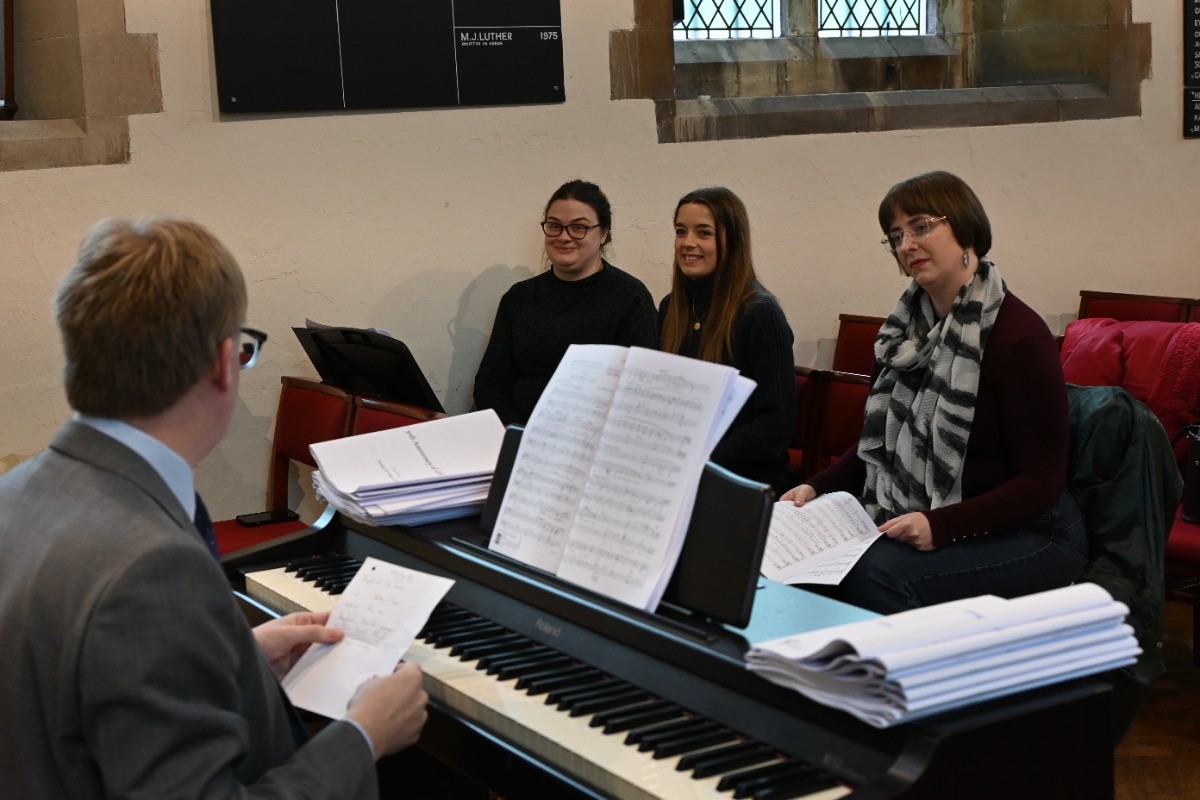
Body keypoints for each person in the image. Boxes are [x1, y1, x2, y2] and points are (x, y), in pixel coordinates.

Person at [0, 217, 427, 798]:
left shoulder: (18, 491)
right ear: (222, 363)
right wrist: (363, 737)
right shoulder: (153, 569)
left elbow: (84, 686)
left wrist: (239, 660)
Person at [782, 171, 1088, 614]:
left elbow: (1040, 484)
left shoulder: (1019, 337)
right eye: (895, 236)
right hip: (938, 514)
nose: (906, 245)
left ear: (964, 226)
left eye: (920, 226)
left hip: (1034, 530)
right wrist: (815, 488)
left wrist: (940, 525)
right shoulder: (900, 338)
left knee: (877, 575)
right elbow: (878, 445)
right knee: (808, 567)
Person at [474, 179, 658, 425]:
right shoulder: (518, 298)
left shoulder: (631, 297)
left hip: (590, 437)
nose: (564, 236)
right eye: (554, 226)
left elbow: (639, 392)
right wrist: (515, 432)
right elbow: (491, 382)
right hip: (517, 433)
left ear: (603, 234)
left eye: (578, 227)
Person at [658, 187, 797, 495]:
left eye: (703, 233)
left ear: (732, 241)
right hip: (683, 473)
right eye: (681, 231)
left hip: (743, 479)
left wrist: (701, 460)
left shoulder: (760, 313)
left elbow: (775, 424)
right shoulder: (671, 307)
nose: (688, 242)